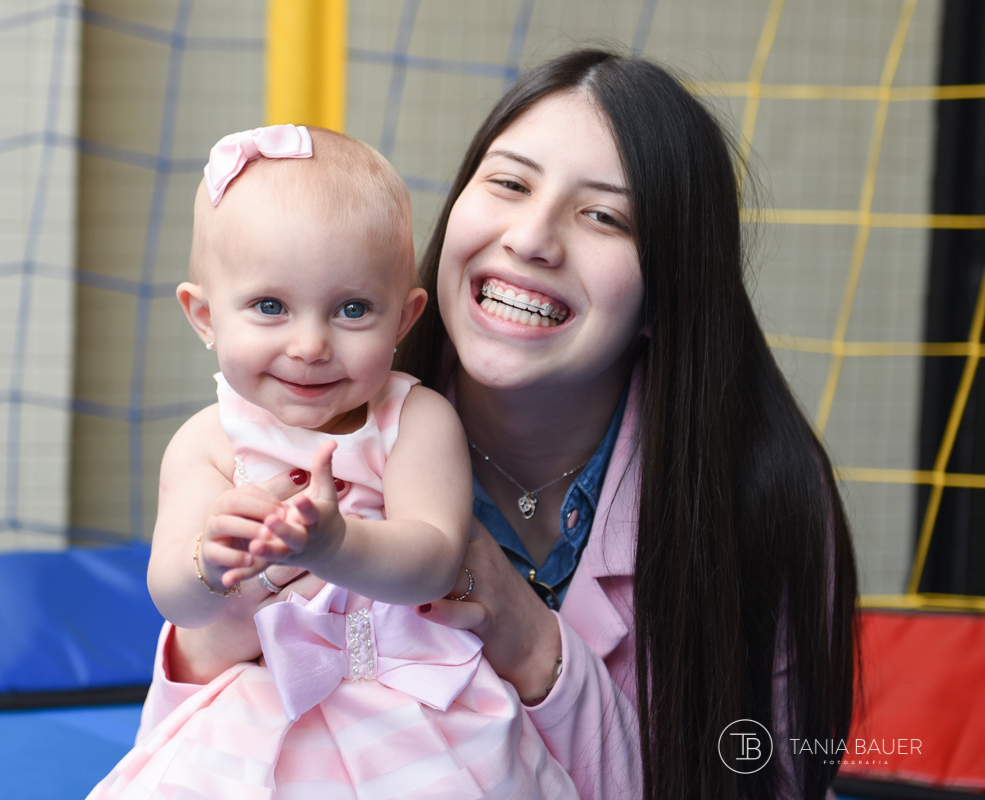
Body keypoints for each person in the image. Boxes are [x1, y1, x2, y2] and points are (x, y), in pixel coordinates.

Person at [131, 48, 858, 800]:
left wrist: (532, 641)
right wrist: (228, 600)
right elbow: (195, 749)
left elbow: (759, 778)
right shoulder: (284, 434)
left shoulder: (758, 490)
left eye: (604, 215)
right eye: (509, 183)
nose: (533, 238)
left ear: (667, 292)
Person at [90, 125, 576, 798]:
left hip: (410, 711)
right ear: (203, 316)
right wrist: (209, 560)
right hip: (259, 708)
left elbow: (436, 559)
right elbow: (172, 595)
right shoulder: (210, 442)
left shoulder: (415, 419)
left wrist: (337, 542)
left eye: (352, 309)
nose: (311, 344)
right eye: (270, 306)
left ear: (403, 319)